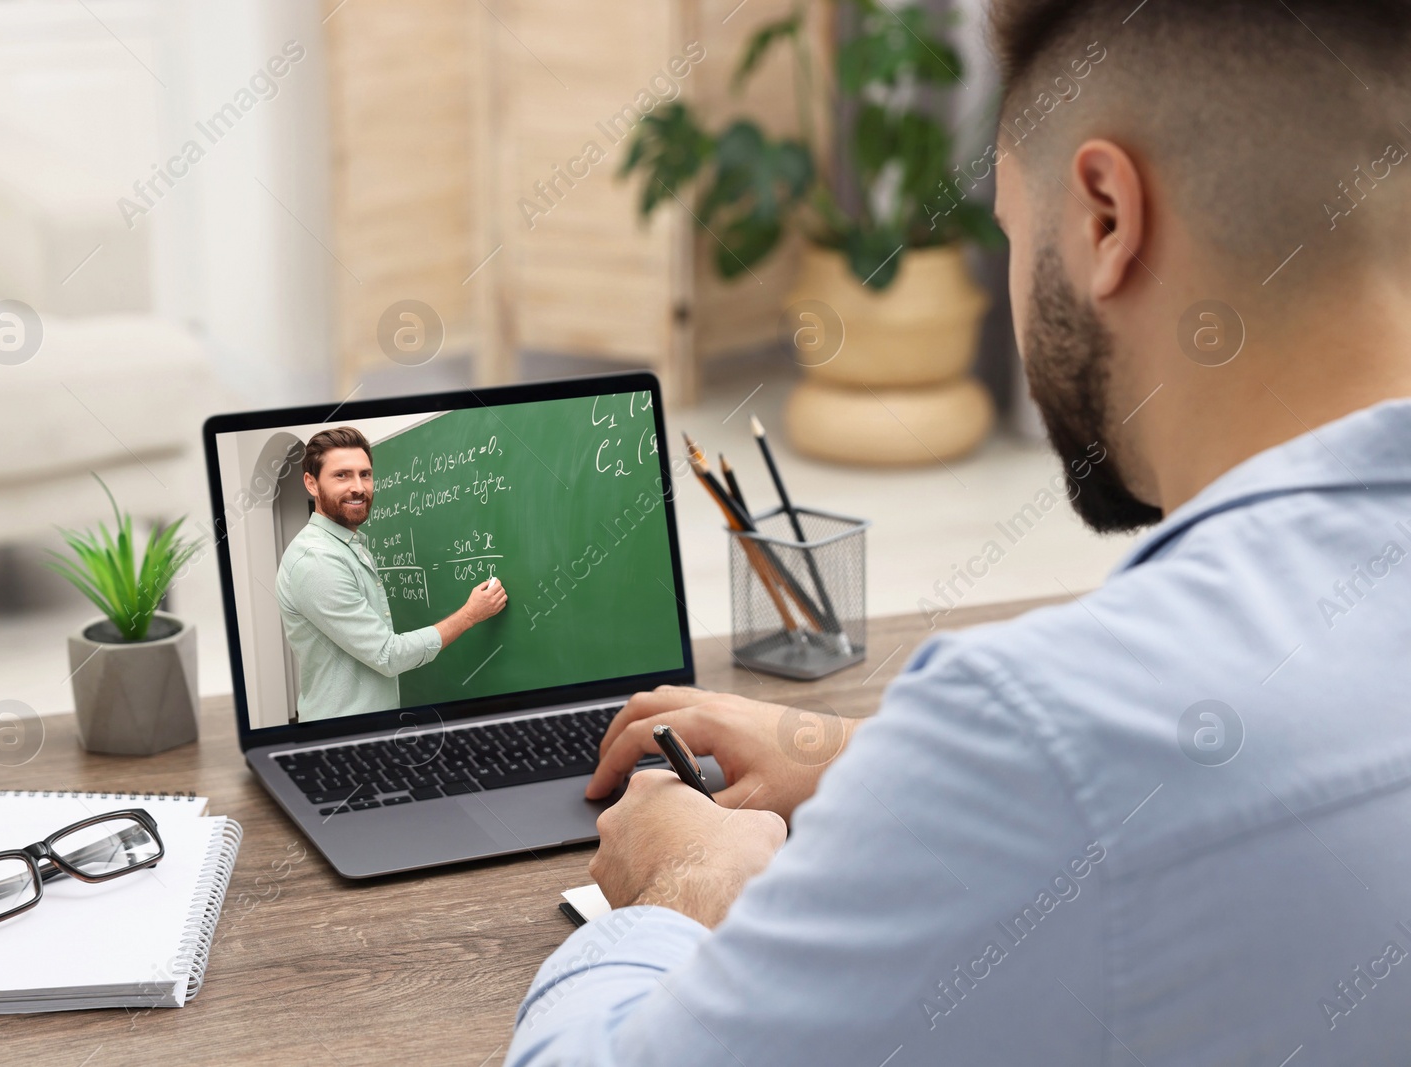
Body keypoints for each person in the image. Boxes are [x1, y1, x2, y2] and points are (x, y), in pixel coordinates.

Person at [505, 1, 1411, 1063]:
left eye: (1008, 236)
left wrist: (681, 888)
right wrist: (884, 768)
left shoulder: (1043, 726)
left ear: (1106, 216)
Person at [277, 426, 506, 721]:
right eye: (341, 475)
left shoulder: (349, 545)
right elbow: (387, 655)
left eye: (365, 474)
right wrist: (469, 615)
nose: (358, 487)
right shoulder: (317, 561)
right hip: (344, 737)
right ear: (311, 483)